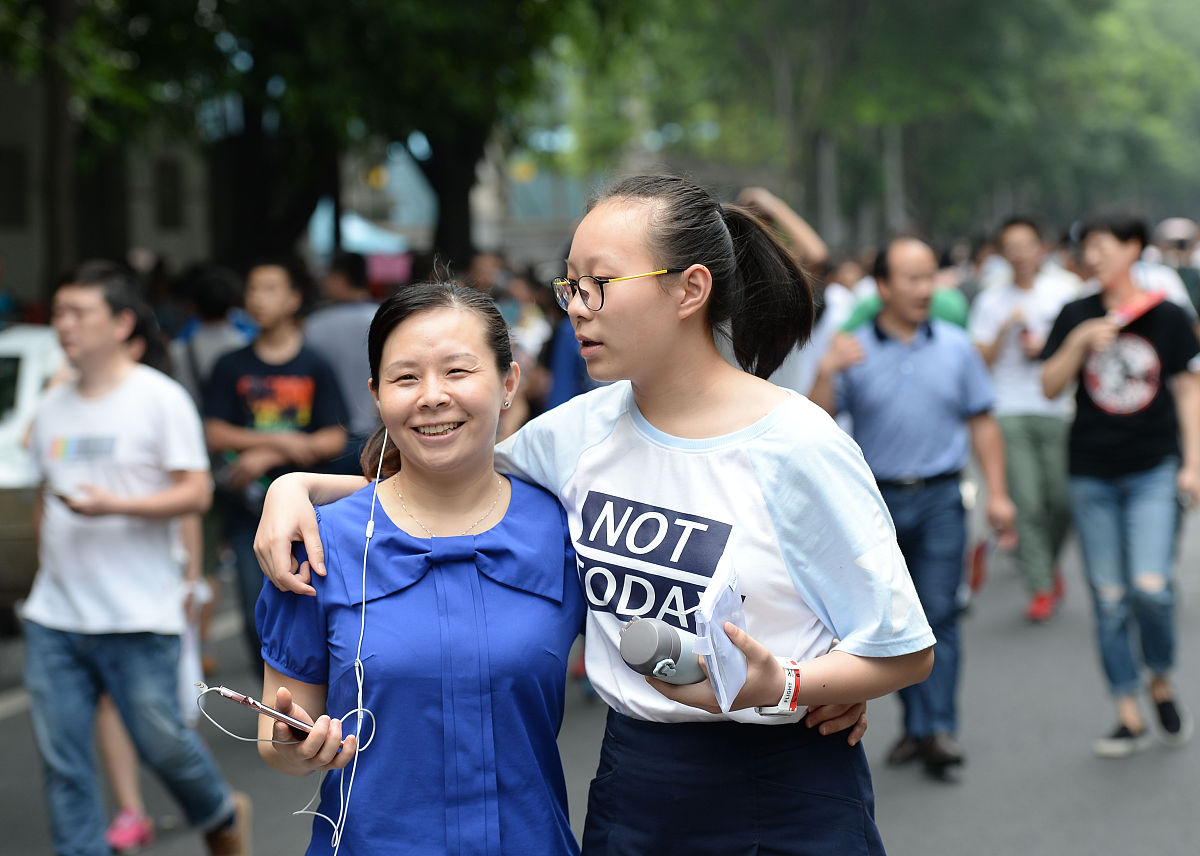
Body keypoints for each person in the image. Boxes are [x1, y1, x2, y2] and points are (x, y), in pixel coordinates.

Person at [256, 175, 935, 854]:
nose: (577, 308)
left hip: (783, 786)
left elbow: (903, 647)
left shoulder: (799, 445)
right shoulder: (573, 435)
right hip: (635, 783)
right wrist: (297, 486)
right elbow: (442, 482)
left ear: (689, 289)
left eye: (599, 284)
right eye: (570, 287)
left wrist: (791, 683)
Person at [254, 282, 585, 854]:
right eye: (406, 378)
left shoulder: (565, 530)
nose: (432, 396)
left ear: (508, 383)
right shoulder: (319, 542)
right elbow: (276, 735)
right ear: (377, 395)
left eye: (458, 371)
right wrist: (295, 745)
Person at [20, 260, 250, 856]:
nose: (62, 324)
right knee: (63, 760)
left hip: (138, 612)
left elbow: (196, 492)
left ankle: (221, 811)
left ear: (123, 323)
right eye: (59, 312)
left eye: (78, 313)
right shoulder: (52, 406)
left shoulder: (159, 398)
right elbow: (47, 494)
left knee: (164, 746)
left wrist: (115, 507)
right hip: (56, 615)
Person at [811, 235, 1017, 779]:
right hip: (874, 504)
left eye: (931, 276)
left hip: (943, 497)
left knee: (941, 615)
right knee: (891, 622)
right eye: (912, 278)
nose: (927, 288)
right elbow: (814, 424)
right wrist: (827, 370)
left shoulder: (956, 346)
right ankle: (915, 725)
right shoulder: (851, 346)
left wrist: (997, 494)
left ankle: (938, 729)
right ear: (882, 287)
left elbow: (982, 422)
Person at [1041, 212, 1199, 757]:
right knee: (1109, 599)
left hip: (1153, 467)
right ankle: (1128, 711)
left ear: (1134, 248)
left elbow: (1187, 390)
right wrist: (1082, 339)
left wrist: (1193, 463)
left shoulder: (1169, 315)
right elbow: (1048, 385)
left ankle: (1160, 676)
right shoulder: (1075, 313)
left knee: (1150, 588)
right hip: (1092, 473)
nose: (1093, 257)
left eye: (1104, 246)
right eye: (1087, 248)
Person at [204, 258, 349, 666]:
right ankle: (272, 688)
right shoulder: (230, 365)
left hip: (312, 510)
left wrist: (269, 452)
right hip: (247, 507)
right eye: (252, 289)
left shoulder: (315, 364)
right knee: (257, 609)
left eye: (269, 288)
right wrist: (285, 441)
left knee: (305, 600)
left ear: (293, 299)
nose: (257, 298)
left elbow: (334, 435)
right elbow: (215, 432)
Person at [968, 217, 1080, 621]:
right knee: (1028, 503)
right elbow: (977, 360)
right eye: (1010, 246)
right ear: (1001, 253)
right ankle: (1040, 585)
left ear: (1040, 247)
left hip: (1059, 408)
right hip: (1008, 409)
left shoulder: (1065, 291)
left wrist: (1046, 347)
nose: (1019, 253)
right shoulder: (991, 300)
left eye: (1026, 244)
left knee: (1062, 501)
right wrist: (1003, 331)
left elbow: (1081, 348)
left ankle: (1046, 564)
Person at [303, 252, 381, 474]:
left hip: (329, 439)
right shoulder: (383, 319)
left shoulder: (314, 326)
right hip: (379, 436)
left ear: (339, 278)